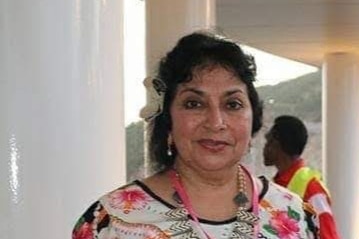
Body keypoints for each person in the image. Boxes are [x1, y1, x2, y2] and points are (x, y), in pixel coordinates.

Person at [73, 32, 316, 239]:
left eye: (232, 104)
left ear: (253, 119)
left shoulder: (295, 215)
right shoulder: (111, 221)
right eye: (193, 104)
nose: (216, 122)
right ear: (168, 119)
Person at [263, 115, 340, 239]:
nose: (264, 147)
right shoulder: (274, 184)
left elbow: (328, 236)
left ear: (276, 142)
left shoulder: (312, 188)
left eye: (268, 140)